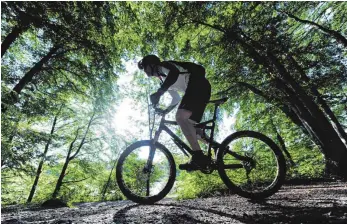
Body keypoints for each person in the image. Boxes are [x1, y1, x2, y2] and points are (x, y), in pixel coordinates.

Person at [138, 55, 211, 170]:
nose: (145, 71)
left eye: (145, 67)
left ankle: (198, 156)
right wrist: (165, 111)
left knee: (180, 117)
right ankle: (219, 148)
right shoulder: (163, 79)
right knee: (191, 127)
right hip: (201, 90)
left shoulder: (163, 66)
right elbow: (176, 99)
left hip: (196, 84)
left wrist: (159, 93)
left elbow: (174, 73)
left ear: (152, 64)